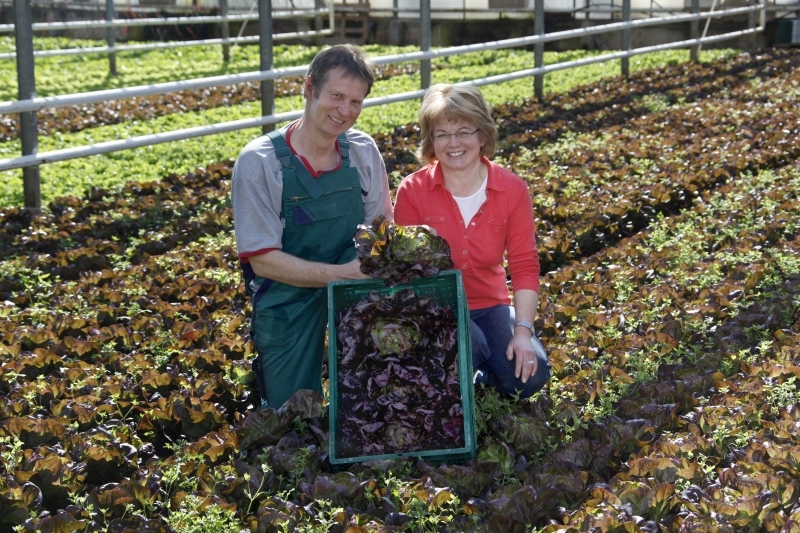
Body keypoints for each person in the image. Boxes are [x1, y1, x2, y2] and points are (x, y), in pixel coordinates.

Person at [231, 45, 393, 409]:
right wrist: (340, 275)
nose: (345, 111)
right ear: (309, 88)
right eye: (336, 96)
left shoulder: (363, 151)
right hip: (288, 294)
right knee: (293, 416)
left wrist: (356, 277)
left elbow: (381, 231)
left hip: (356, 285)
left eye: (356, 101)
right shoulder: (260, 162)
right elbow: (263, 260)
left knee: (375, 400)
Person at [393, 84, 550, 399]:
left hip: (490, 305)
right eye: (442, 134)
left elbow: (523, 264)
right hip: (435, 307)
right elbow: (403, 272)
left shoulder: (512, 189)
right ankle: (445, 374)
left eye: (463, 131)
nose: (454, 143)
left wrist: (522, 332)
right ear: (431, 141)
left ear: (483, 136)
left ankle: (475, 380)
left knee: (530, 377)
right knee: (470, 342)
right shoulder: (413, 191)